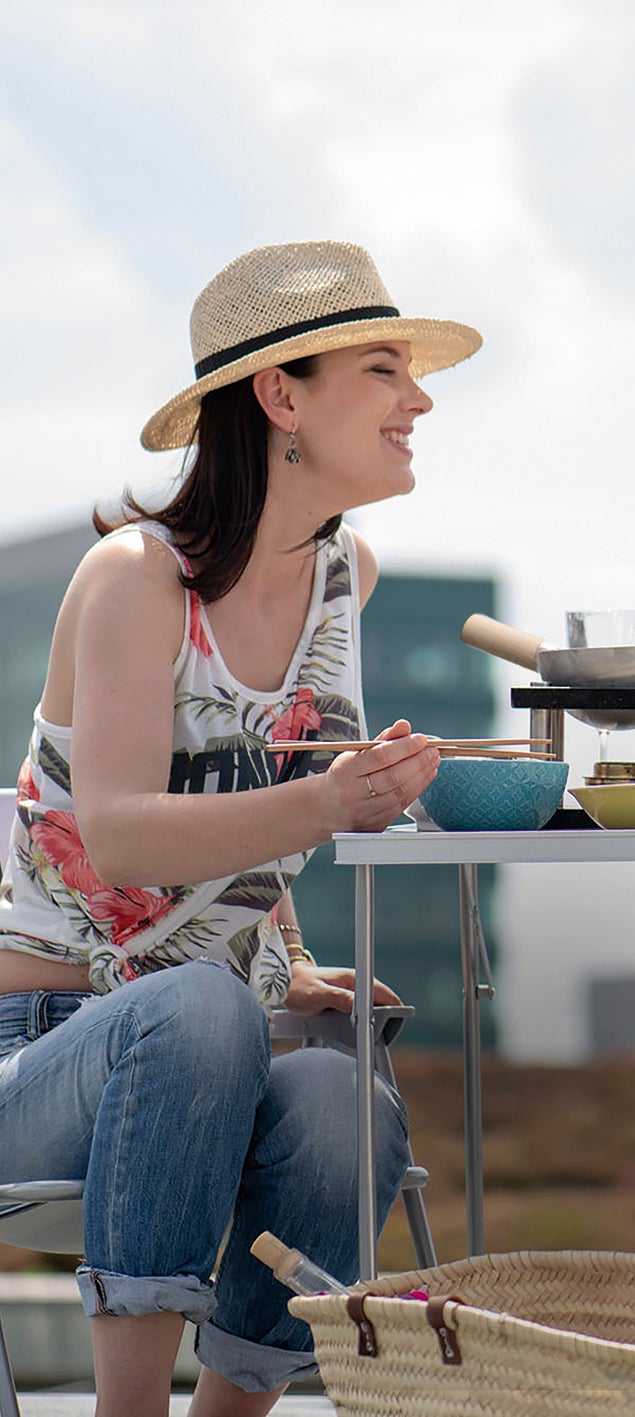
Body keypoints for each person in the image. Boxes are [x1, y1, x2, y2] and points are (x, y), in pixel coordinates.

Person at [0, 240, 480, 1417]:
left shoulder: (344, 576)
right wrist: (329, 803)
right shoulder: (136, 579)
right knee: (204, 1007)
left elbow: (254, 789)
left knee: (342, 1105)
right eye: (383, 370)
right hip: (39, 1049)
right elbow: (121, 836)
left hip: (207, 1043)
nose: (418, 401)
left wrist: (290, 958)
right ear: (281, 397)